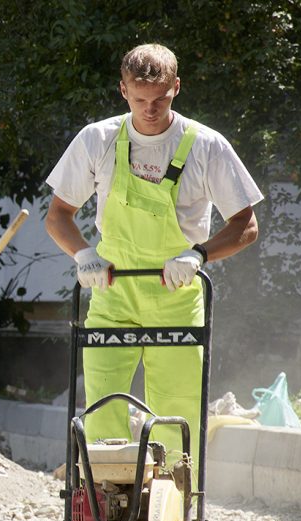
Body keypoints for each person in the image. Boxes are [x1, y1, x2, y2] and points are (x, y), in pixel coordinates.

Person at [44, 43, 262, 455]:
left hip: (176, 294)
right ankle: (108, 502)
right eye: (140, 99)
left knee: (177, 412)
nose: (150, 109)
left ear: (176, 87)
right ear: (123, 90)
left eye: (160, 98)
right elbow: (58, 216)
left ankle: (175, 502)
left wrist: (199, 255)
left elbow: (246, 225)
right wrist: (83, 254)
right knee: (103, 406)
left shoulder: (205, 145)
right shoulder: (98, 139)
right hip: (113, 292)